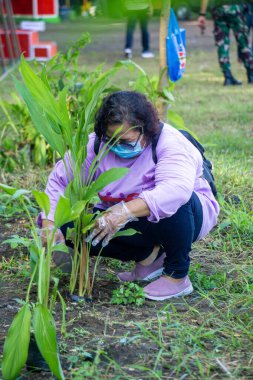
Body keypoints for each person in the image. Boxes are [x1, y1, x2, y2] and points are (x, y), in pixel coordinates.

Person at [40, 91, 219, 301]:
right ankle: (149, 257)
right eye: (111, 139)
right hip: (127, 216)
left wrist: (125, 211)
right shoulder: (94, 146)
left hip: (186, 216)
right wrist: (50, 222)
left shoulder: (170, 143)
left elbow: (176, 189)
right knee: (70, 229)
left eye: (125, 141)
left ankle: (177, 275)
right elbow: (59, 182)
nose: (117, 147)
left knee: (177, 200)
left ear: (146, 130)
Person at [198, 0, 253, 85]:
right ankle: (251, 74)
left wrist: (202, 14)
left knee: (222, 43)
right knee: (243, 40)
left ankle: (228, 77)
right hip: (236, 6)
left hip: (219, 8)